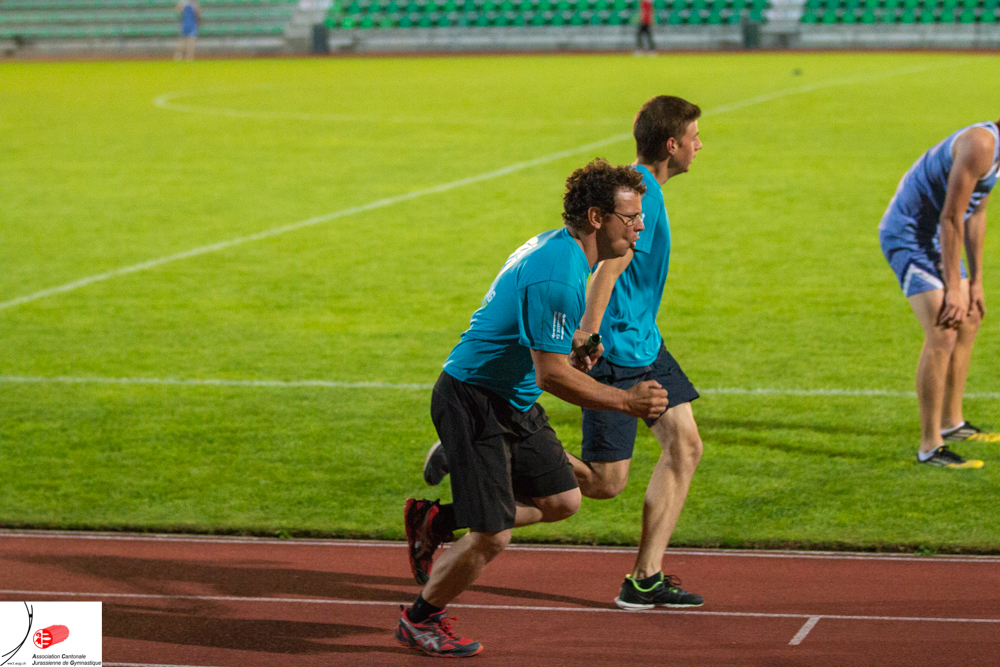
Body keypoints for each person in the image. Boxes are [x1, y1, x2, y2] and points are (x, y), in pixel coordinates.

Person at [425, 96, 706, 612]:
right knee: (601, 483)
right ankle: (449, 517)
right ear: (672, 144)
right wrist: (590, 337)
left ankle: (644, 578)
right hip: (619, 349)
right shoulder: (633, 204)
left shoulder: (629, 200)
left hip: (645, 340)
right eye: (694, 137)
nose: (700, 145)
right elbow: (606, 274)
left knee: (684, 448)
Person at [397, 159, 669, 658]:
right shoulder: (558, 275)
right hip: (473, 402)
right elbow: (552, 377)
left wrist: (576, 343)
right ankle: (420, 619)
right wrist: (626, 401)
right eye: (631, 217)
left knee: (564, 501)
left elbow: (538, 346)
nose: (640, 226)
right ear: (596, 218)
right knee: (492, 535)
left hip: (510, 402)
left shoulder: (564, 251)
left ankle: (434, 522)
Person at [879, 118, 1000, 469]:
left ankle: (952, 422)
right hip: (909, 233)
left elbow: (976, 213)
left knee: (970, 317)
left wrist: (975, 282)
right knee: (943, 327)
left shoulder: (995, 152)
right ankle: (930, 446)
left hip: (934, 234)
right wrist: (953, 289)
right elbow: (951, 218)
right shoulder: (981, 144)